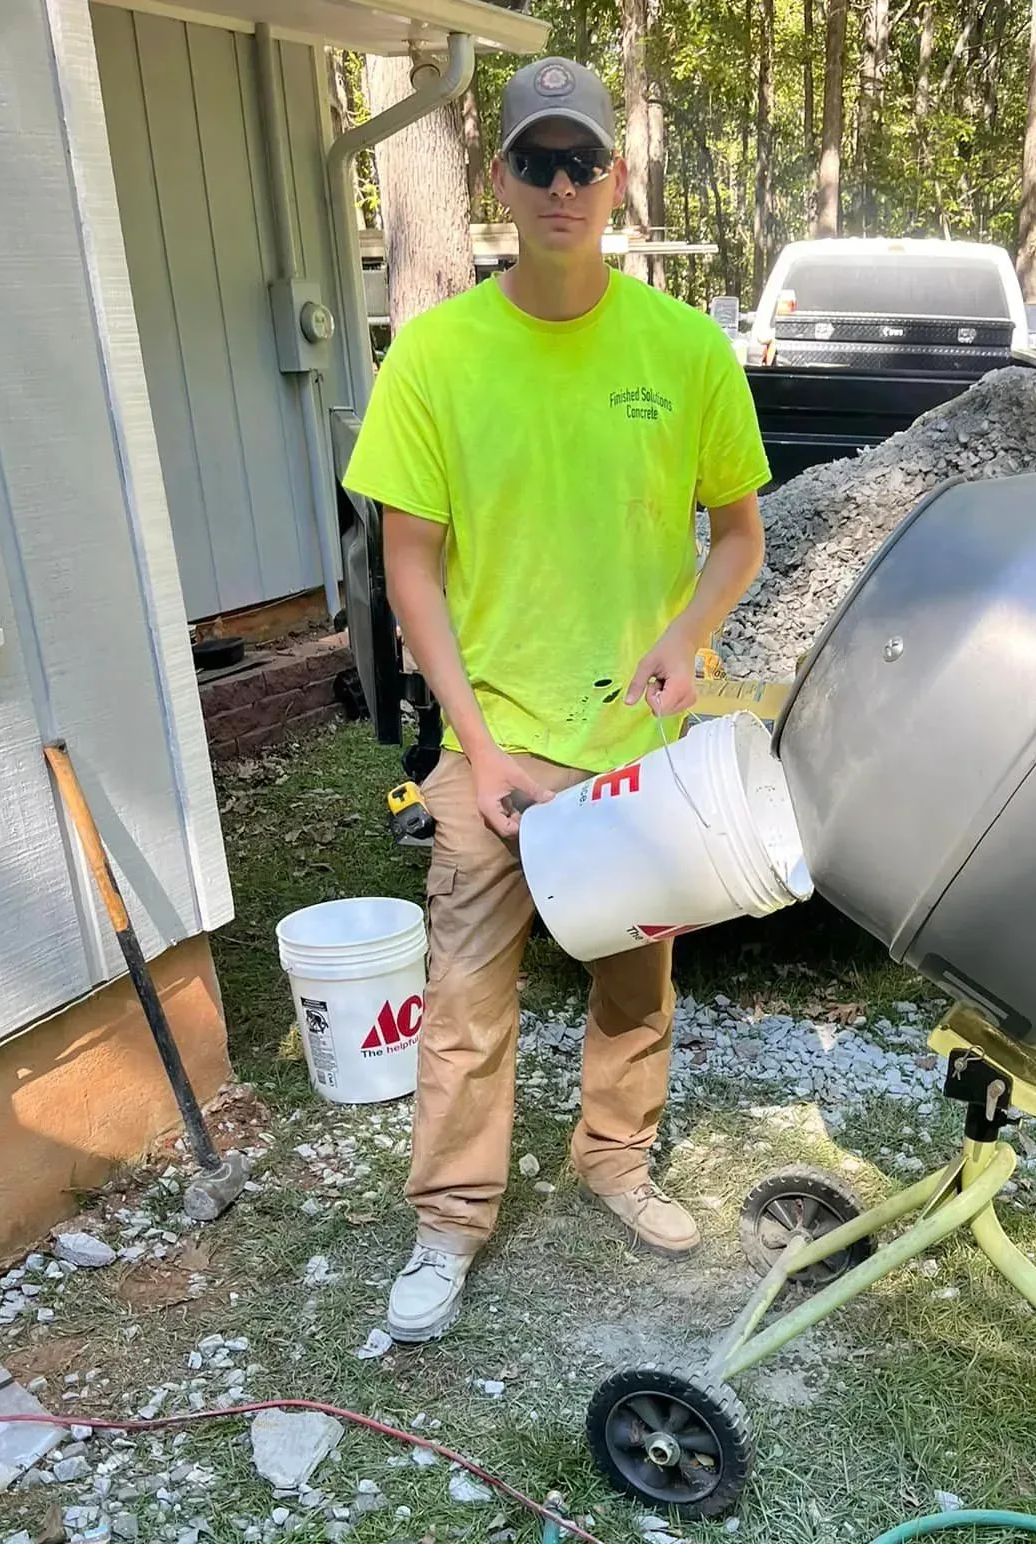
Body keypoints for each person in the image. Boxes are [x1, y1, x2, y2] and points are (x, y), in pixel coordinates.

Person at [343, 56, 769, 1344]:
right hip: (499, 742)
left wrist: (688, 639)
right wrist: (479, 752)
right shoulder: (438, 355)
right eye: (538, 162)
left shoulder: (685, 349)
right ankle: (450, 1220)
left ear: (617, 178)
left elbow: (739, 537)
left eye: (585, 162)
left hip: (637, 747)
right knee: (469, 997)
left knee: (635, 982)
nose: (564, 185)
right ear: (502, 180)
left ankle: (614, 1160)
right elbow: (406, 560)